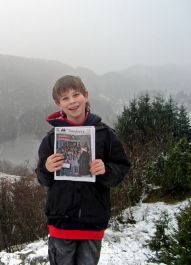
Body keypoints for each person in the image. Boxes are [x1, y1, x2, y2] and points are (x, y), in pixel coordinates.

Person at [36, 75, 131, 265]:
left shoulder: (105, 134)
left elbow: (121, 169)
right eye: (65, 98)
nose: (72, 101)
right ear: (58, 104)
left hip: (93, 222)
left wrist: (106, 169)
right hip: (61, 223)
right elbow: (42, 178)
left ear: (85, 96)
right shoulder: (52, 138)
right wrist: (47, 168)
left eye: (75, 94)